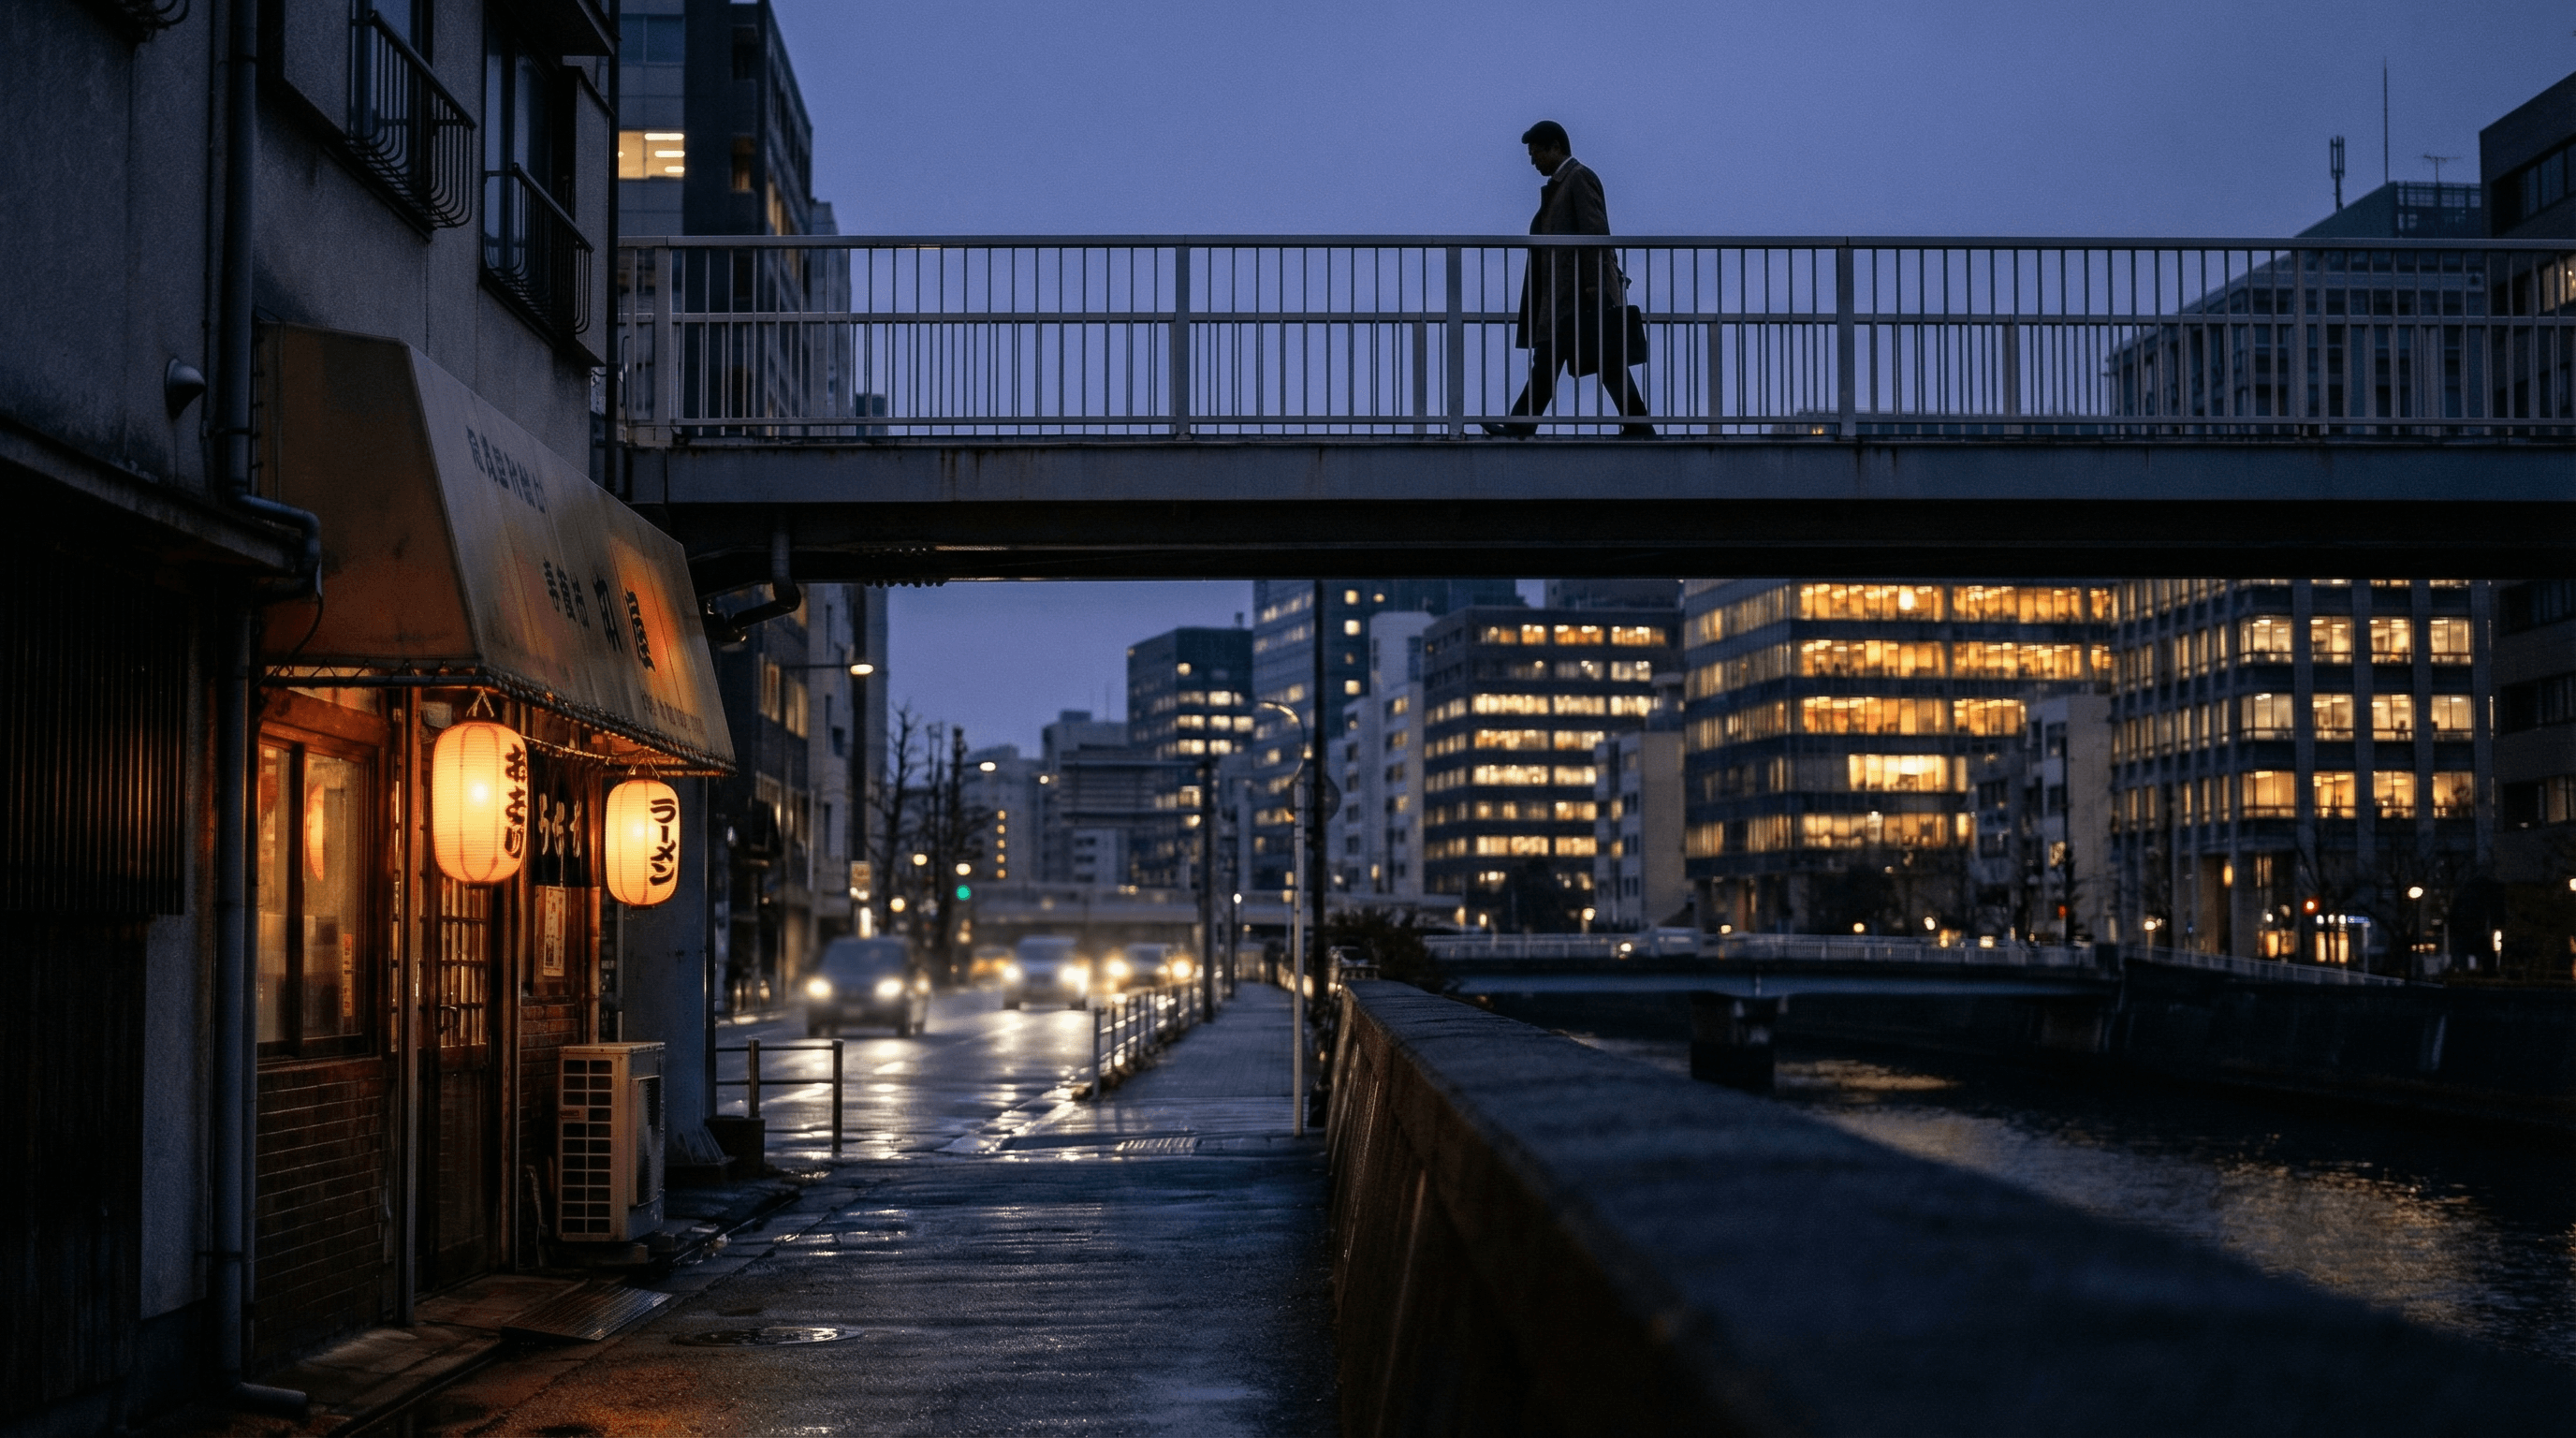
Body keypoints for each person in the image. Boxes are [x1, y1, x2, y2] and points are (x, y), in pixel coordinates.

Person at [1488, 120, 1653, 438]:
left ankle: (1519, 427)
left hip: (1577, 296)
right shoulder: (1563, 184)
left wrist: (1593, 288)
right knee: (1593, 361)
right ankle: (1638, 424)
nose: (1533, 160)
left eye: (1536, 153)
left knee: (1569, 362)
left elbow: (1595, 235)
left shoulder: (1578, 178)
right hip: (1567, 296)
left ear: (1555, 147)